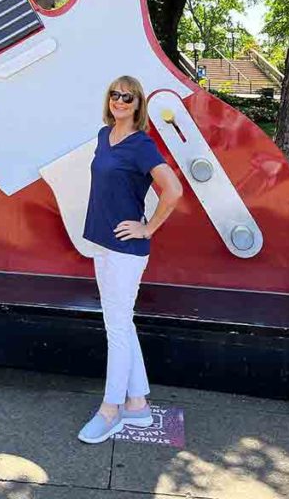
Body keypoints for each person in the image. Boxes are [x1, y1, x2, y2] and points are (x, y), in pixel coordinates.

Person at [77, 75, 183, 444]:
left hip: (126, 250)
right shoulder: (104, 137)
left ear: (138, 106)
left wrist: (148, 228)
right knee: (122, 323)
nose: (120, 100)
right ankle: (137, 403)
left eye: (128, 96)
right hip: (103, 244)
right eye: (115, 95)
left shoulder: (141, 145)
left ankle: (112, 410)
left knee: (117, 329)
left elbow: (173, 190)